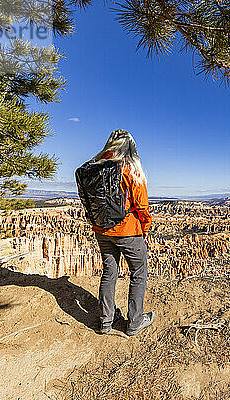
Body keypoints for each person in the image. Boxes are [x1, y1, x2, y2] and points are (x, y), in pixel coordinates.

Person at [89, 129, 154, 336]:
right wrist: (144, 228)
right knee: (139, 273)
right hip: (127, 231)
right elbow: (142, 205)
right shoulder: (129, 168)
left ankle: (106, 321)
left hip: (102, 230)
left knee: (109, 271)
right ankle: (134, 322)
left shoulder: (96, 166)